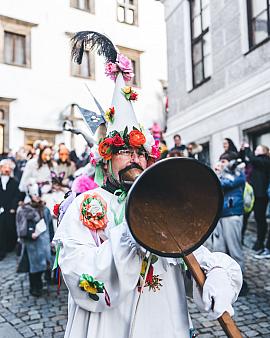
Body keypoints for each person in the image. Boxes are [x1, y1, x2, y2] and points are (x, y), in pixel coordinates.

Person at [53, 33, 242, 338]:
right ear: (105, 159)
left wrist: (219, 275)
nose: (135, 158)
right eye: (124, 150)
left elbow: (199, 257)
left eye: (141, 152)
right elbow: (82, 278)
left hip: (165, 325)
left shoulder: (163, 201)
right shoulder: (86, 206)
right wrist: (130, 233)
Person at [209, 152, 247, 295]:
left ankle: (241, 282)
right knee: (219, 249)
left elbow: (226, 184)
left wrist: (217, 175)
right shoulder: (220, 175)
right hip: (220, 215)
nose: (222, 164)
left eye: (224, 161)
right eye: (220, 161)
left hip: (232, 215)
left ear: (231, 162)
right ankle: (223, 280)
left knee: (234, 249)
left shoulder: (238, 173)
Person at [16, 180, 54, 297]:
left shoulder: (45, 209)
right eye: (34, 194)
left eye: (38, 194)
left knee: (44, 265)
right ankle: (34, 287)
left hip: (44, 243)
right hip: (32, 244)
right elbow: (21, 227)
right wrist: (29, 233)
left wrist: (52, 239)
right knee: (34, 267)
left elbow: (49, 226)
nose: (37, 197)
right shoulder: (24, 210)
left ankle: (41, 284)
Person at [239, 144, 270, 257]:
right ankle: (240, 239)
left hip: (260, 196)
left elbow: (252, 159)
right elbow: (245, 159)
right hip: (251, 195)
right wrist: (242, 151)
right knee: (245, 217)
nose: (255, 150)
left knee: (260, 219)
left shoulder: (266, 160)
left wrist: (247, 148)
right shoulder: (255, 161)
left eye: (257, 149)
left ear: (264, 151)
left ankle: (260, 243)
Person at [0, 159, 22, 260]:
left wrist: (13, 207)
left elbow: (17, 196)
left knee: (8, 226)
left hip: (9, 209)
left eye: (9, 168)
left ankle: (8, 246)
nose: (7, 170)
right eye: (5, 167)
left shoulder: (14, 182)